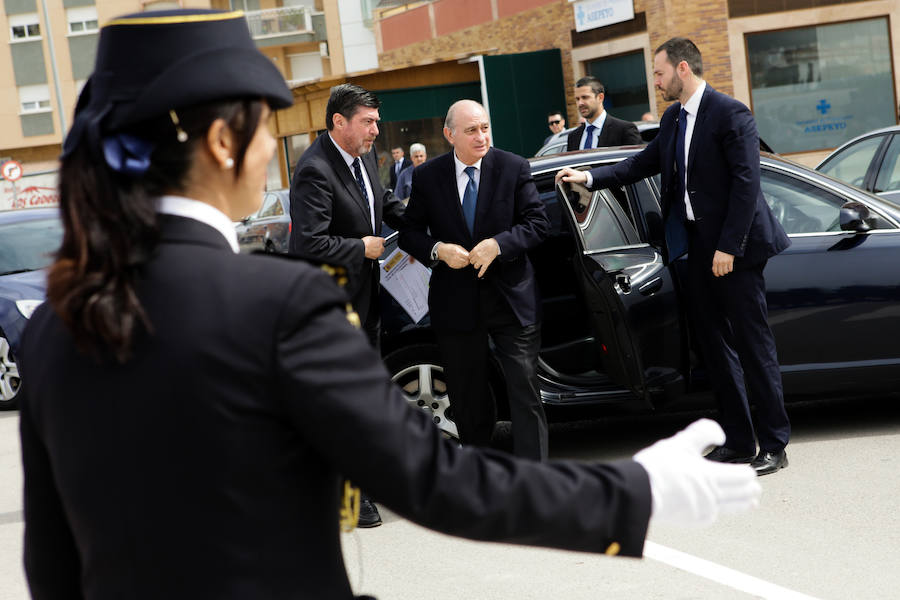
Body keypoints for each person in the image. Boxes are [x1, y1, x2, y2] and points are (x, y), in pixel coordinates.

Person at [18, 14, 761, 599]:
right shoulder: (278, 307)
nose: (272, 147)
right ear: (220, 143)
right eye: (264, 126)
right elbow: (439, 481)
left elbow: (51, 568)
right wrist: (634, 491)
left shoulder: (56, 323)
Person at [556, 37, 791, 476]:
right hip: (696, 249)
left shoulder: (731, 113)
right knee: (716, 350)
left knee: (753, 346)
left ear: (683, 69)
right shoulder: (673, 118)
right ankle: (739, 441)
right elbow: (640, 164)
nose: (657, 82)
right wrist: (587, 177)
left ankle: (775, 444)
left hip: (735, 249)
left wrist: (728, 247)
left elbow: (747, 184)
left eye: (660, 73)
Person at [399, 100, 550, 460]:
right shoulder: (427, 176)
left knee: (524, 392)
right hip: (456, 301)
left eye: (484, 128)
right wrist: (438, 250)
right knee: (468, 397)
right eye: (471, 131)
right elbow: (409, 234)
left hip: (511, 299)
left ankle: (534, 477)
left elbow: (538, 224)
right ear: (449, 135)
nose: (481, 137)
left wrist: (499, 245)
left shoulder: (513, 166)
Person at [289, 84, 407, 526]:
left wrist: (425, 221)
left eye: (377, 121)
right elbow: (309, 243)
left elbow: (382, 203)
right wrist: (361, 247)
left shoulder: (364, 156)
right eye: (368, 122)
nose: (376, 130)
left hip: (366, 301)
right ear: (339, 121)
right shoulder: (314, 169)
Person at [566, 76, 641, 151]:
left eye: (585, 97)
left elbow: (635, 158)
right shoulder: (573, 137)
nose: (580, 103)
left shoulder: (624, 130)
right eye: (577, 99)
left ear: (600, 97)